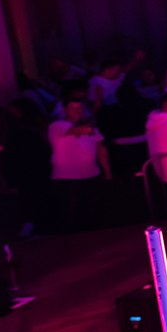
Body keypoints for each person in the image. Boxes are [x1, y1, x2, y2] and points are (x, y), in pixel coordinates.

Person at [48, 98, 109, 232]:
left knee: (92, 215)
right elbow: (80, 130)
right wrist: (94, 116)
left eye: (80, 107)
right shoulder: (57, 125)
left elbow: (101, 150)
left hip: (93, 175)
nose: (77, 111)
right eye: (73, 108)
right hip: (67, 179)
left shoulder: (91, 127)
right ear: (64, 110)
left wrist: (107, 172)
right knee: (70, 216)